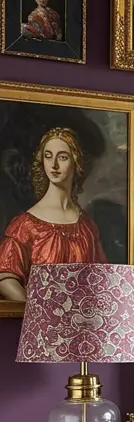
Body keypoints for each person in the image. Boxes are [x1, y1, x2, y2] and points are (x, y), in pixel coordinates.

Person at [0, 127, 106, 301]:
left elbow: (101, 278)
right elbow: (5, 278)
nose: (54, 165)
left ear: (76, 162)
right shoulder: (25, 224)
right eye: (48, 156)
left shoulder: (86, 224)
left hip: (81, 322)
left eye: (62, 157)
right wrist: (37, 310)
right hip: (40, 324)